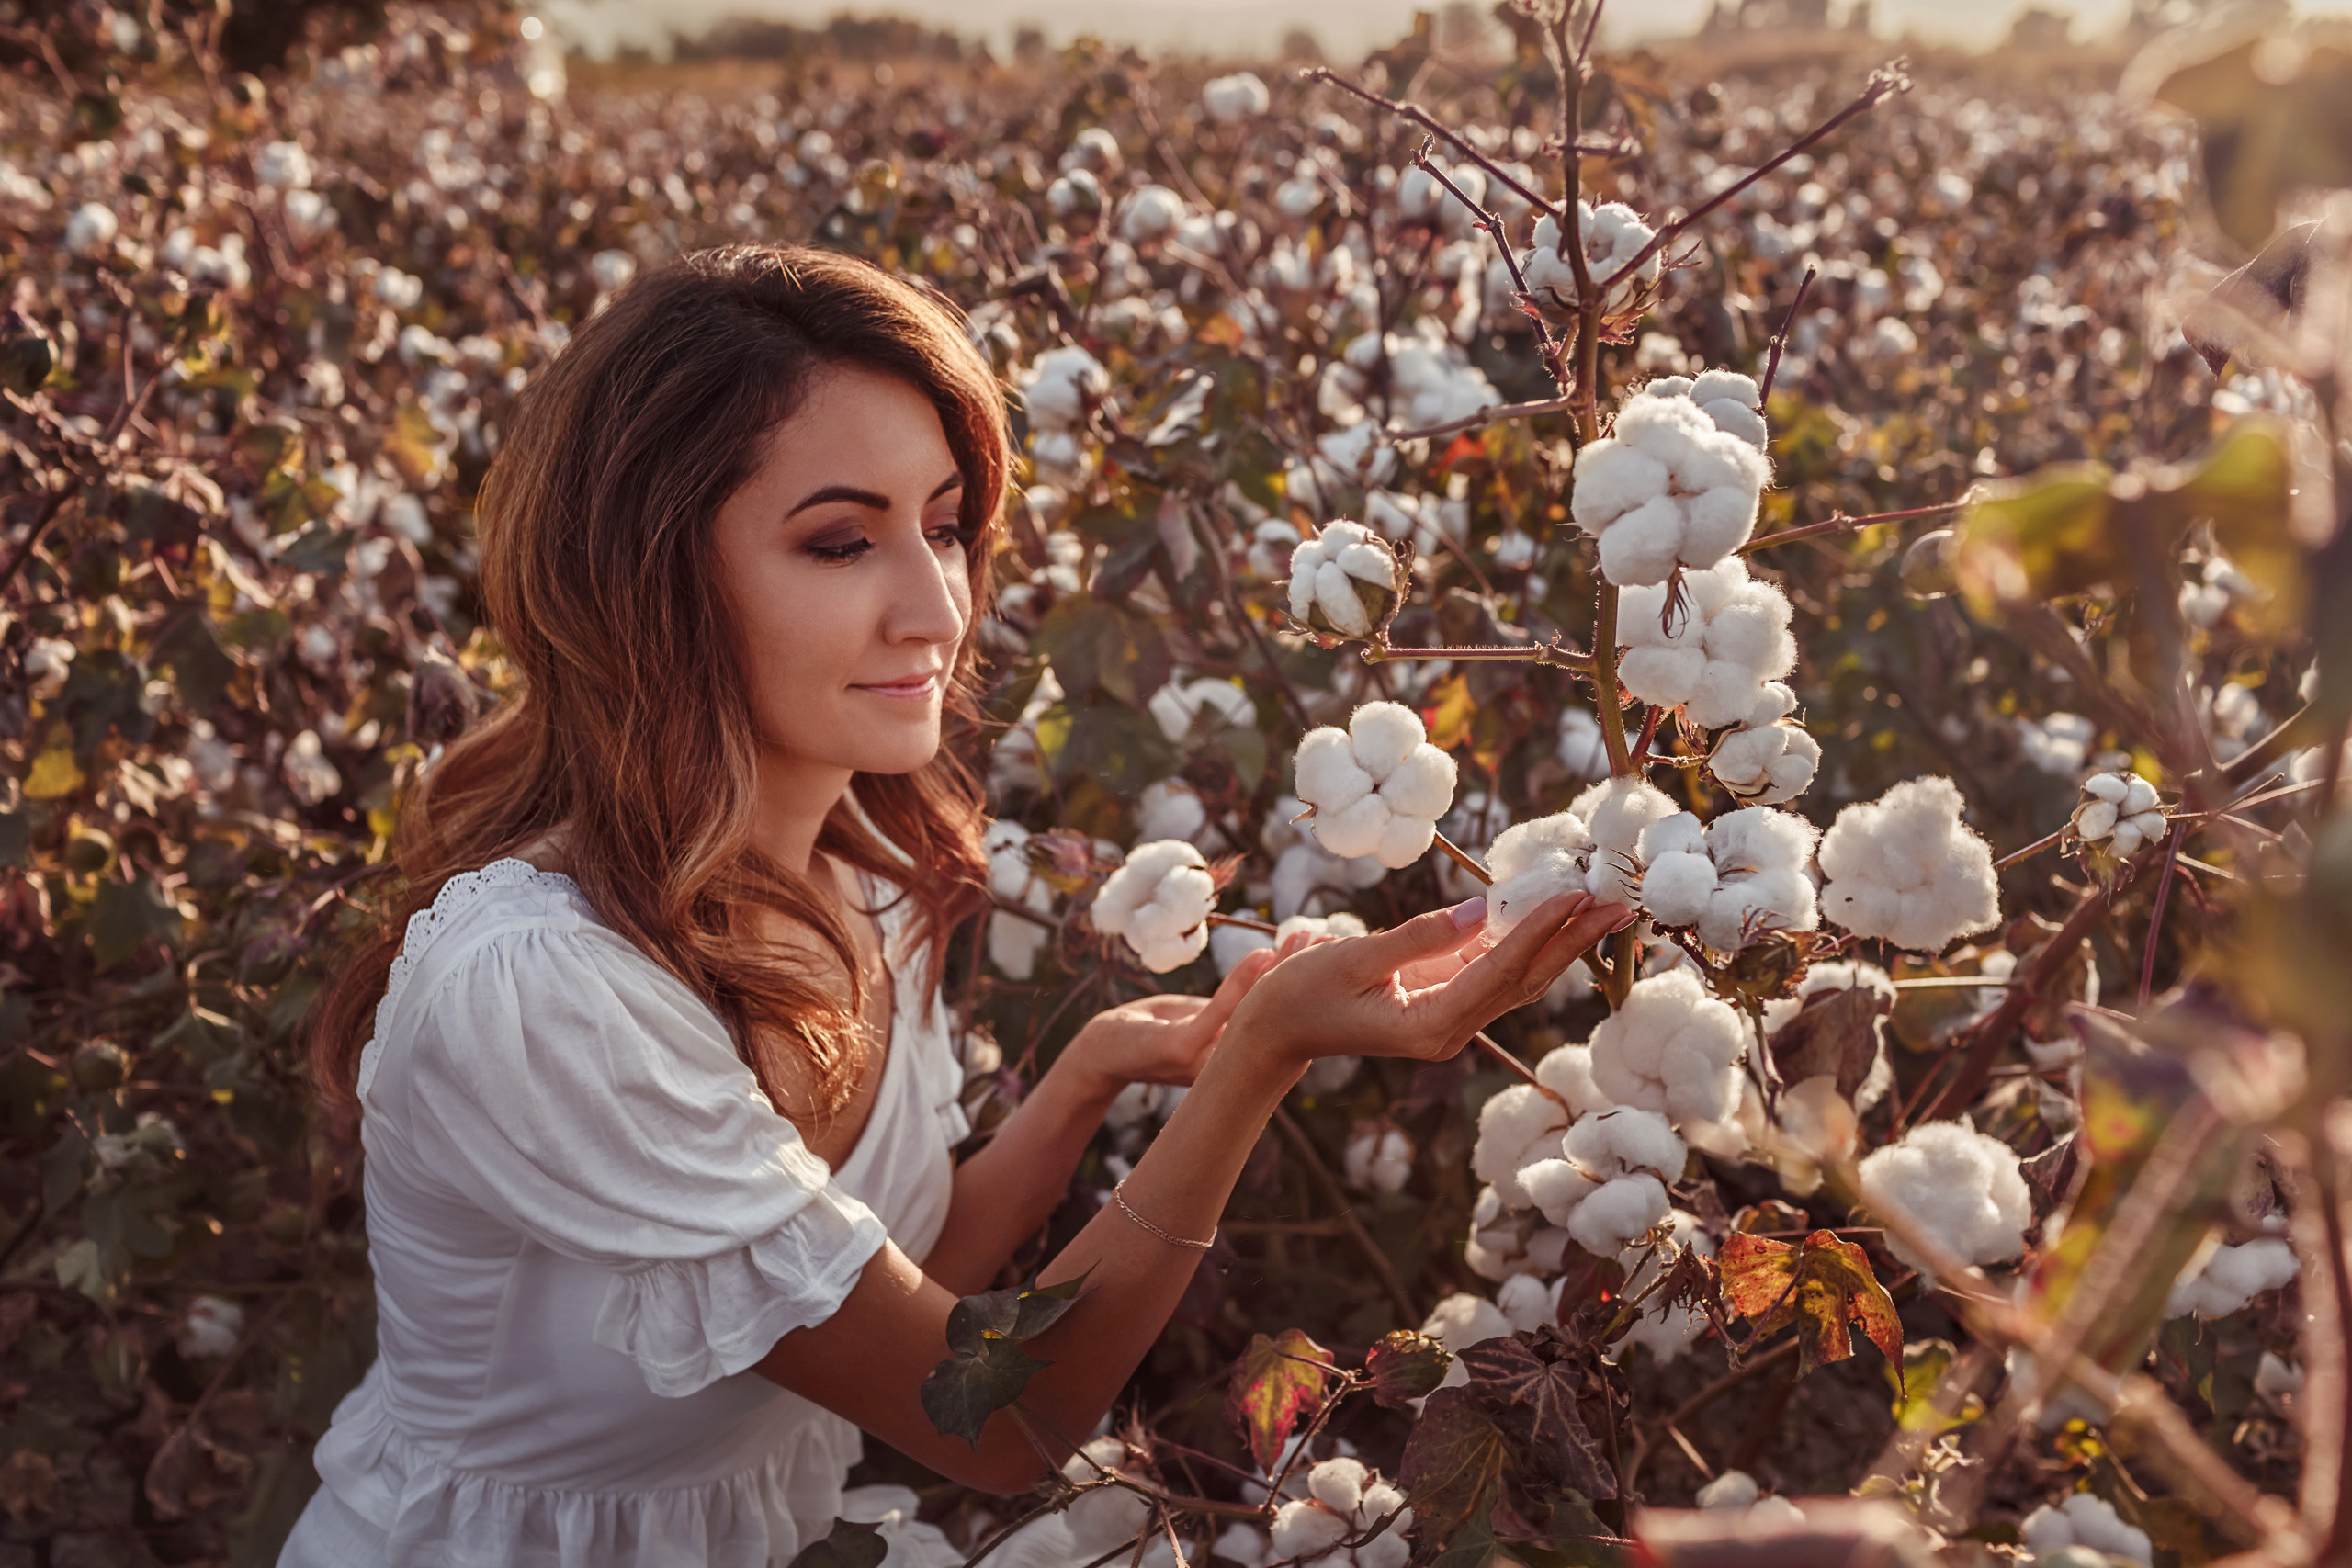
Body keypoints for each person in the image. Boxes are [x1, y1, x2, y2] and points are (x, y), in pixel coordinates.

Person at [282, 243, 1629, 1567]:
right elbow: (989, 1419)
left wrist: (1094, 1073)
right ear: (648, 582)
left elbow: (896, 1275)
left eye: (943, 526)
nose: (937, 607)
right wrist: (1263, 1056)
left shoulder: (852, 881)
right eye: (839, 541)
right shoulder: (546, 988)